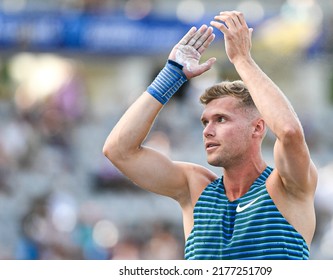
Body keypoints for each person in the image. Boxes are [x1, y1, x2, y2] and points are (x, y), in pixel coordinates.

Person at [103, 11, 318, 260]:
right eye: (205, 121)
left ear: (258, 128)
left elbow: (290, 132)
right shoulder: (195, 187)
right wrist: (171, 75)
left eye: (221, 119)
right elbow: (118, 151)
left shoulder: (285, 186)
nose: (207, 130)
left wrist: (243, 61)